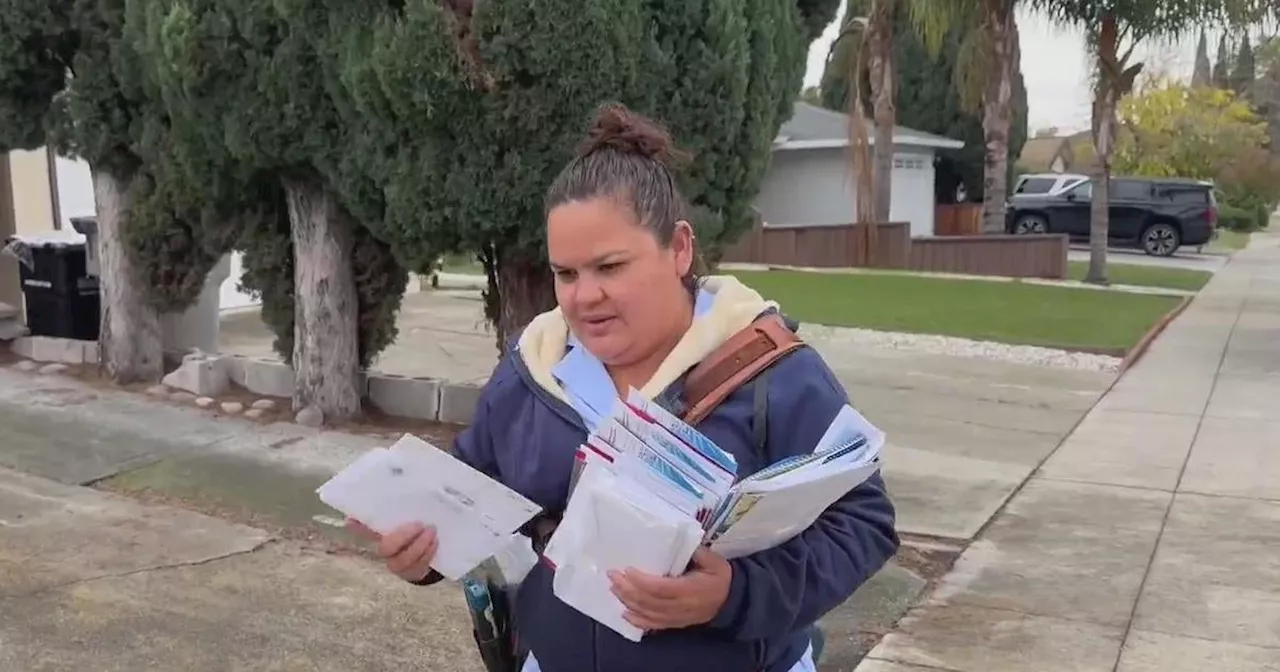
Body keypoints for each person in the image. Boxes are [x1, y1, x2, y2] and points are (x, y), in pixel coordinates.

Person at [349, 103, 899, 672]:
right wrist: (423, 553)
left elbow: (863, 521)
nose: (585, 297)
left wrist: (735, 592)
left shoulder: (773, 372)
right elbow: (471, 493)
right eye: (566, 273)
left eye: (610, 267)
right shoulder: (530, 371)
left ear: (679, 248)